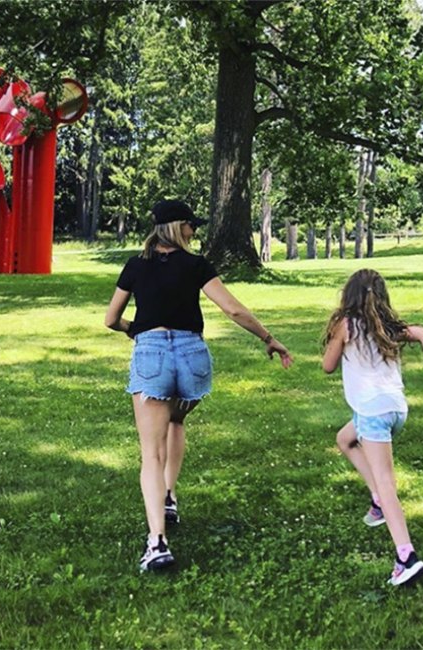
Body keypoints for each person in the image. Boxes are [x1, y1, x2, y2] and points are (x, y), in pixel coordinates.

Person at [104, 199, 293, 572]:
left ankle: (157, 542)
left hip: (153, 354)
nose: (195, 230)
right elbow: (233, 309)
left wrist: (135, 330)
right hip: (192, 356)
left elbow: (111, 318)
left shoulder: (135, 265)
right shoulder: (196, 265)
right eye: (192, 225)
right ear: (178, 227)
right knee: (176, 421)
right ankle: (169, 495)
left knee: (151, 454)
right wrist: (267, 338)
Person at [322, 269, 423, 587]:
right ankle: (378, 502)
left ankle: (405, 556)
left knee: (386, 483)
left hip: (372, 414)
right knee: (345, 439)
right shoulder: (390, 326)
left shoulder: (346, 325)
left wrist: (335, 341)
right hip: (395, 410)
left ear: (348, 295)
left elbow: (328, 366)